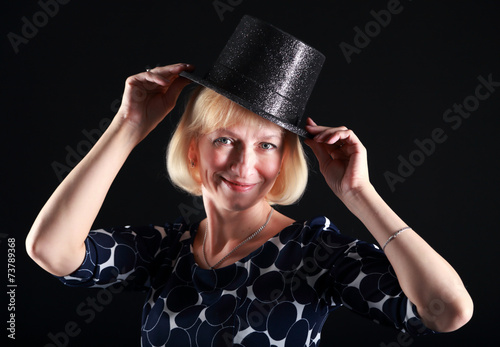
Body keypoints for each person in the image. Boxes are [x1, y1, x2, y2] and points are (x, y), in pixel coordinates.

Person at [26, 16, 472, 347]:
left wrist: (360, 194)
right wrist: (127, 125)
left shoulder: (316, 253)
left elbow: (448, 311)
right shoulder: (166, 250)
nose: (244, 164)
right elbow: (50, 250)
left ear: (283, 162)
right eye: (225, 139)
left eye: (267, 145)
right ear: (193, 150)